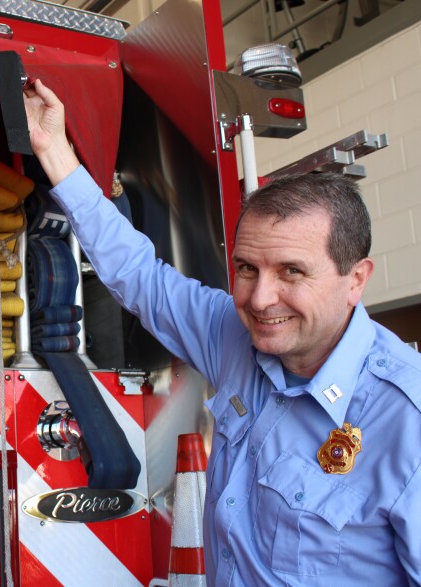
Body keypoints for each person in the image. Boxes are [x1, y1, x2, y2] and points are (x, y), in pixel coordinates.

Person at [24, 78, 421, 586]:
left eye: (292, 273)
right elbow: (140, 276)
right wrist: (55, 151)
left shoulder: (405, 421)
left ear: (356, 280)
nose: (259, 300)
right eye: (247, 268)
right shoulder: (233, 336)